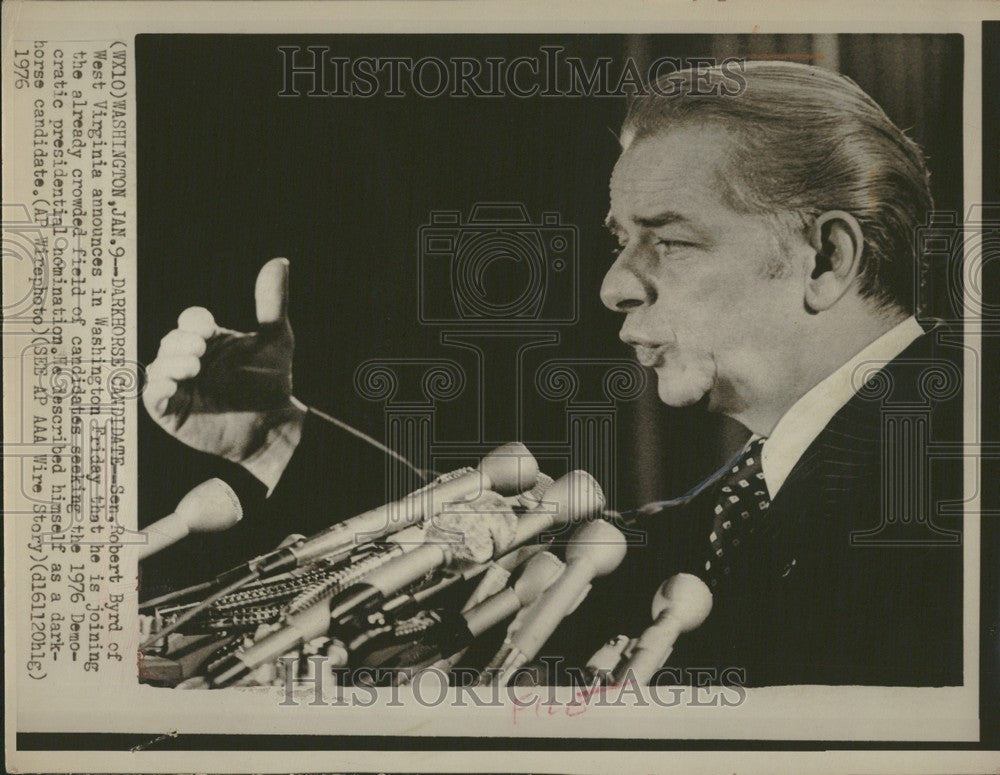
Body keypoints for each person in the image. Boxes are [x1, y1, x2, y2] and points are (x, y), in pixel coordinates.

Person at [142, 61, 963, 685]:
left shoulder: (951, 488)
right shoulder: (743, 503)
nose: (613, 285)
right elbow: (511, 583)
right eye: (619, 240)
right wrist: (279, 436)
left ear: (826, 258)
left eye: (668, 239)